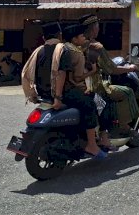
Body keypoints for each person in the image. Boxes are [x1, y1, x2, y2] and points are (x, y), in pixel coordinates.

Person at [22, 21, 106, 160]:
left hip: (43, 93)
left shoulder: (39, 51)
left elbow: (27, 73)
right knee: (90, 104)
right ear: (60, 35)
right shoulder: (63, 50)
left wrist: (33, 94)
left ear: (44, 38)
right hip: (63, 94)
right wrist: (58, 97)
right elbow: (61, 74)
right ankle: (92, 145)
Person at [78, 14, 139, 138]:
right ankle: (124, 126)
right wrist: (130, 68)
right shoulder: (96, 47)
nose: (98, 29)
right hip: (95, 87)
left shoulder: (77, 44)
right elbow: (112, 69)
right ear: (93, 28)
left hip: (78, 85)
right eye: (97, 26)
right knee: (127, 92)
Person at [60, 22, 108, 158]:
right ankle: (93, 143)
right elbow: (78, 76)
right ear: (74, 39)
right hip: (73, 89)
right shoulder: (77, 52)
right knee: (97, 103)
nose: (84, 38)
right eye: (81, 36)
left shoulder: (63, 48)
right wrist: (93, 71)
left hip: (61, 90)